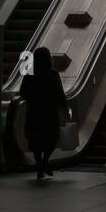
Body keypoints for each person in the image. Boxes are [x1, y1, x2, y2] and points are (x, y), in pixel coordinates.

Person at [20, 46, 67, 180]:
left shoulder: (29, 74)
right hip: (49, 112)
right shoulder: (53, 74)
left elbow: (23, 92)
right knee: (51, 138)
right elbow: (59, 94)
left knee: (35, 140)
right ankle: (45, 160)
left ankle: (40, 165)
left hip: (34, 111)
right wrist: (64, 108)